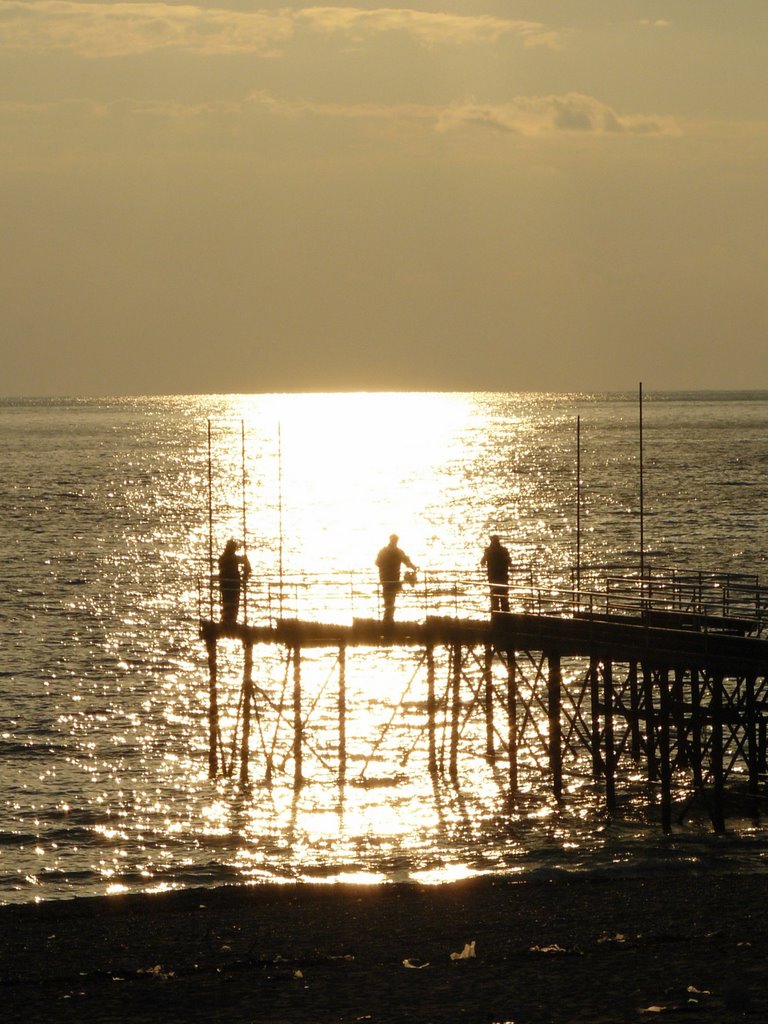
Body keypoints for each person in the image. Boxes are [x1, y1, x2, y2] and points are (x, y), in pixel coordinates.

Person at [375, 534, 417, 624]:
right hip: (390, 579)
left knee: (389, 599)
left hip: (387, 578)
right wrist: (413, 567)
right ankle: (388, 619)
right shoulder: (398, 552)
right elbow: (407, 562)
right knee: (390, 599)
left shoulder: (384, 551)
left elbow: (377, 563)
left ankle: (388, 619)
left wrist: (413, 567)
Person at [218, 539, 251, 625]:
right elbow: (237, 560)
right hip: (230, 585)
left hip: (230, 585)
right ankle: (228, 620)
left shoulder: (225, 558)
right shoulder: (228, 558)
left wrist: (245, 573)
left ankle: (229, 620)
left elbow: (242, 561)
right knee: (230, 602)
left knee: (231, 603)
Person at [481, 534, 512, 613]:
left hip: (493, 576)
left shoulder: (488, 551)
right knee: (504, 595)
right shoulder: (504, 550)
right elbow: (509, 561)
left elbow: (482, 562)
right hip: (503, 576)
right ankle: (505, 611)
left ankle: (495, 611)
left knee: (494, 595)